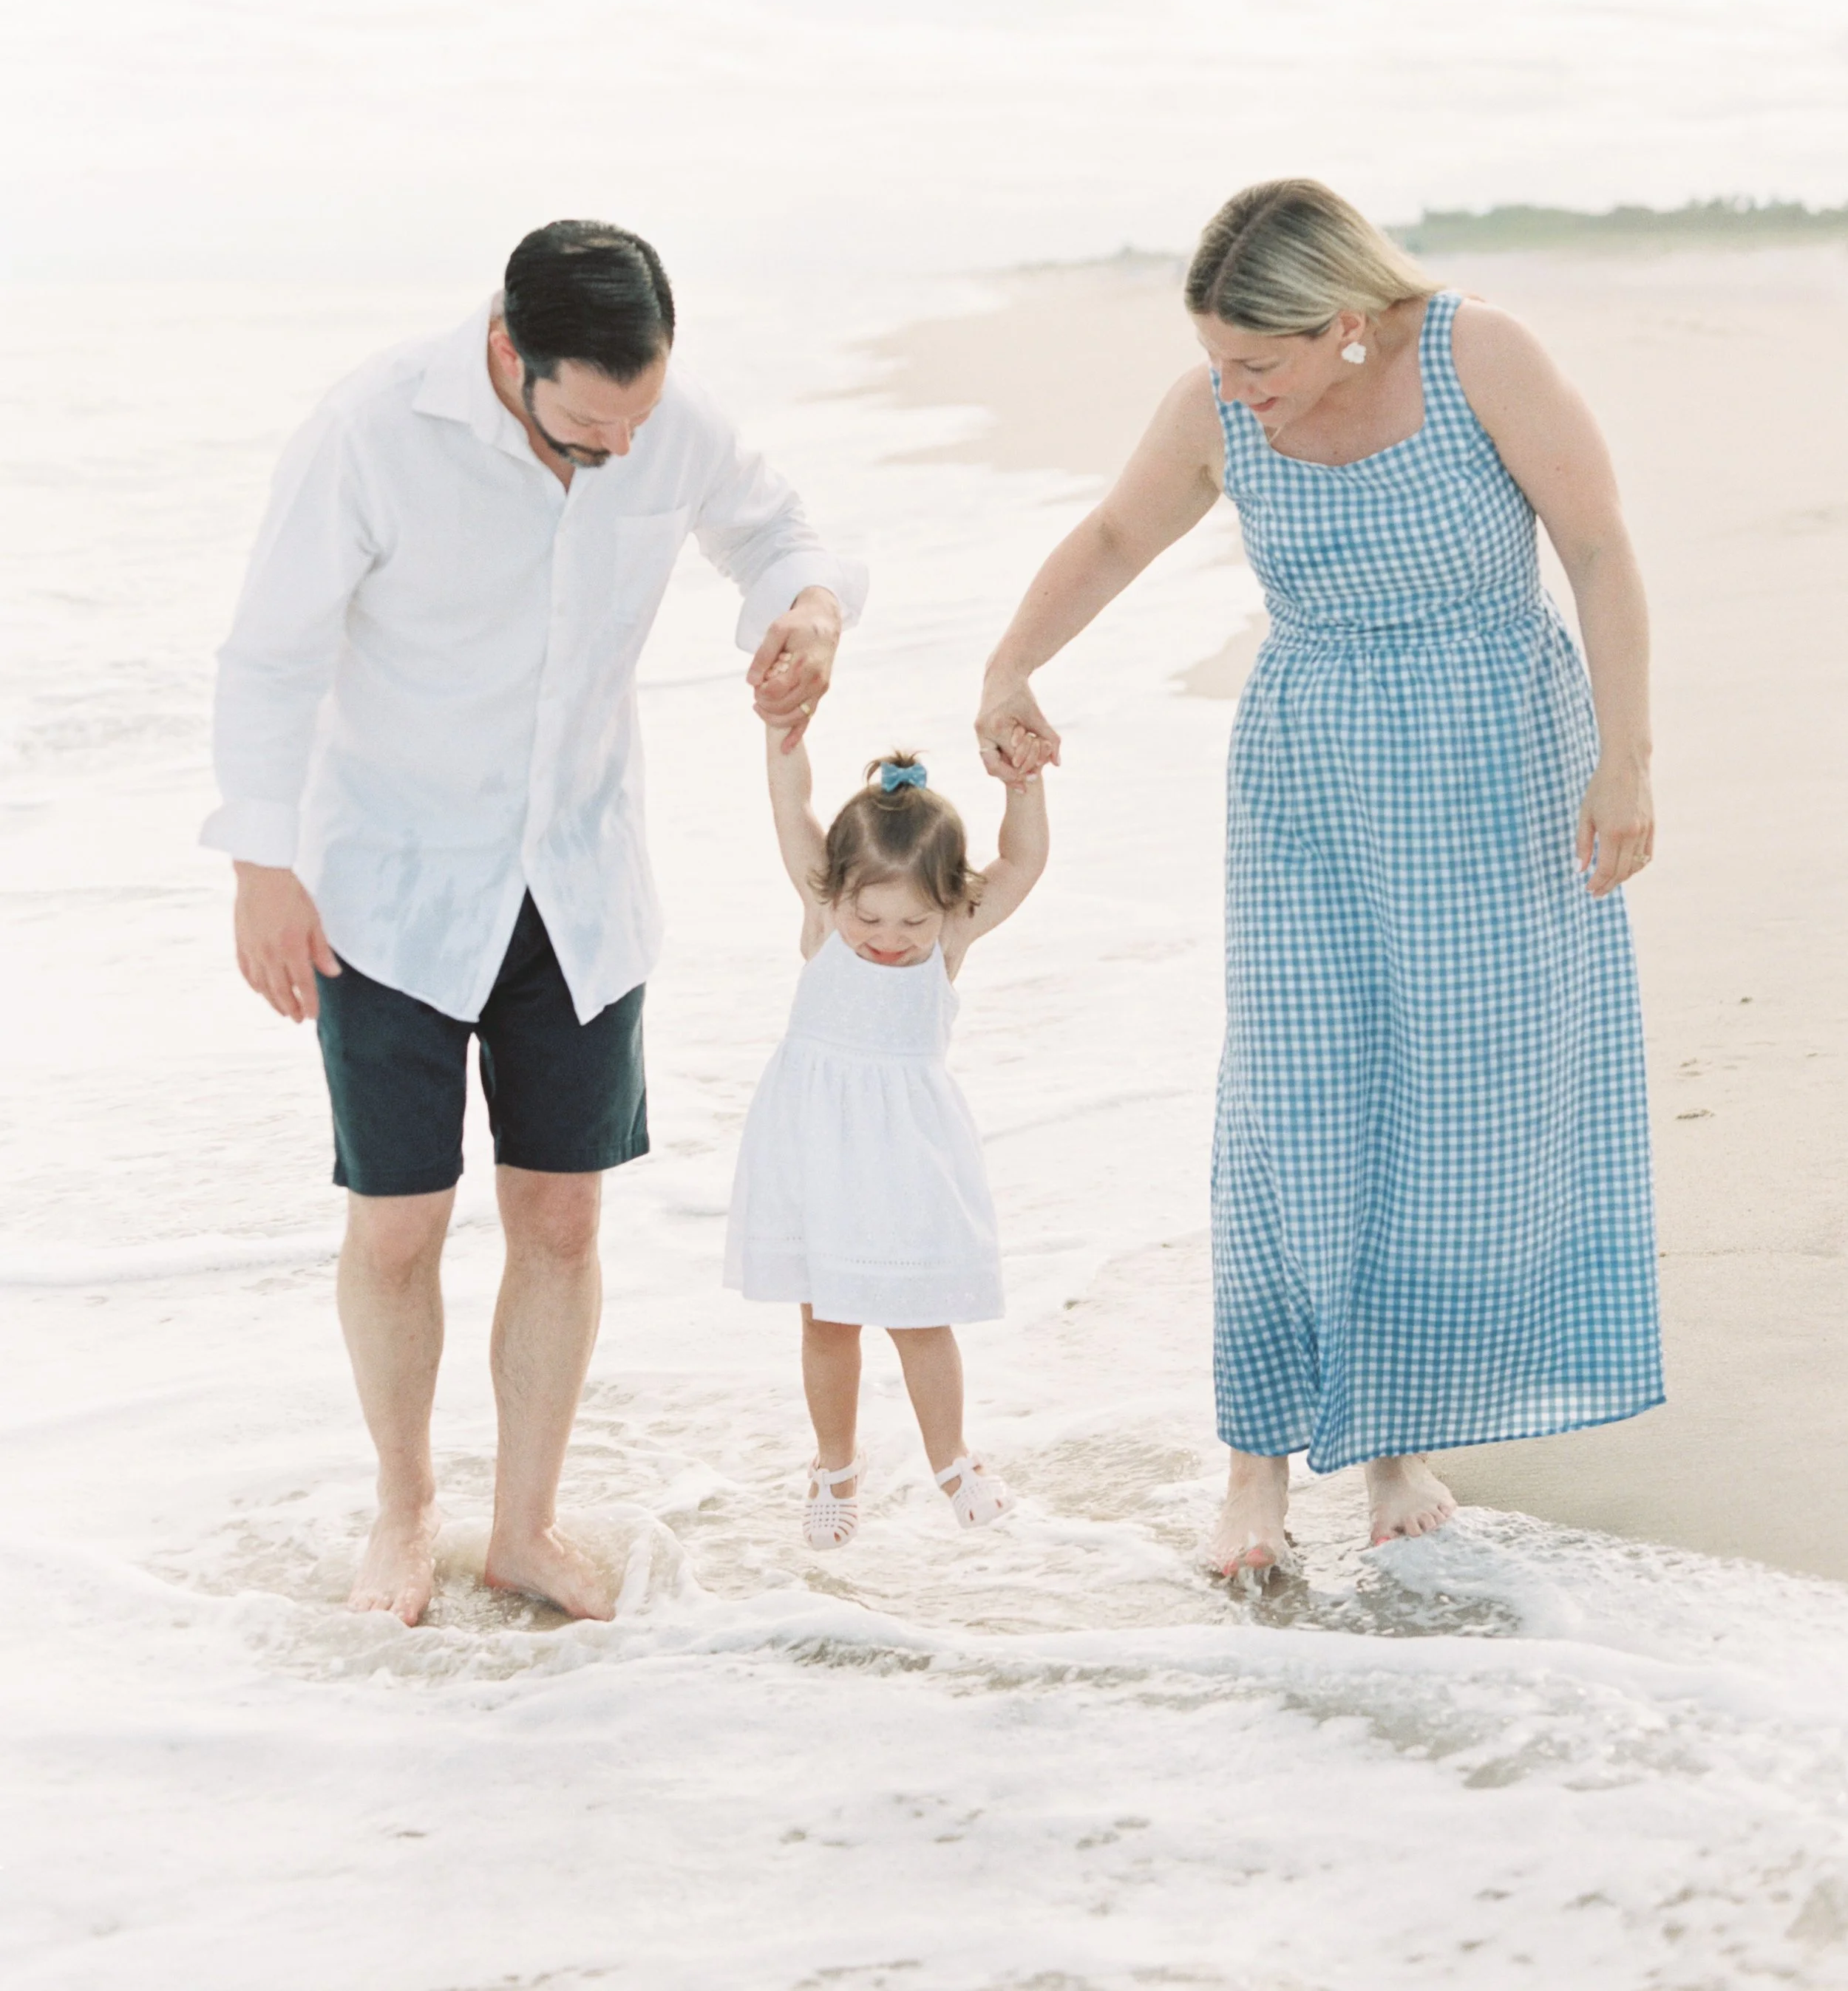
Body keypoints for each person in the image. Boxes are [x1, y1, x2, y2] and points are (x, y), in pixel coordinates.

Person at [975, 178, 1662, 1573]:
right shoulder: (1215, 409)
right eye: (1219, 361)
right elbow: (1116, 535)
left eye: (1259, 364)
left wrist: (1629, 762)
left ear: (1347, 323)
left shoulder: (1481, 356)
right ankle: (1256, 1465)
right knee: (1293, 1100)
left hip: (1500, 771)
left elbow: (1596, 547)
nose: (1235, 390)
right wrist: (1011, 661)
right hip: (1312, 784)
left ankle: (1397, 1433)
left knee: (1456, 1101)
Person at [204, 219, 865, 1626]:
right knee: (398, 1225)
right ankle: (403, 1509)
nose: (611, 456)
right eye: (582, 433)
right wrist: (263, 862)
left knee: (561, 1218)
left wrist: (804, 611)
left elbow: (780, 529)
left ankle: (524, 1525)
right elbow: (268, 654)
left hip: (577, 881)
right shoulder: (375, 428)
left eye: (631, 428)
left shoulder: (659, 421)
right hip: (388, 884)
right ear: (510, 349)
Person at [724, 736, 1048, 1546]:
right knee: (826, 1320)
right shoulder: (822, 912)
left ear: (948, 908)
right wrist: (785, 736)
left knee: (917, 1313)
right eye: (867, 916)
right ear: (836, 895)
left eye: (913, 919)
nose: (888, 936)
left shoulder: (950, 941)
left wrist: (1024, 787)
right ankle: (834, 1466)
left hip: (903, 1154)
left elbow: (1021, 863)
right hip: (813, 1148)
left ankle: (954, 1461)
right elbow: (791, 805)